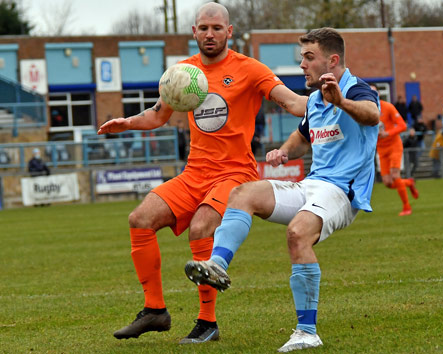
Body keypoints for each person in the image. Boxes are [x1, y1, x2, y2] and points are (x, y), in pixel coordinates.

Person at [97, 2, 307, 344]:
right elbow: (158, 114)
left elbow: (290, 101)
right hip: (194, 172)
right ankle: (154, 311)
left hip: (234, 173)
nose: (210, 34)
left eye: (216, 28)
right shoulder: (182, 72)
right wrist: (127, 123)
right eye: (203, 28)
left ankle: (207, 323)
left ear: (229, 32)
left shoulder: (250, 69)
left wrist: (327, 102)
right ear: (194, 31)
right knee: (140, 219)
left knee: (201, 227)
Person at [183, 27, 380, 352]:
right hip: (313, 185)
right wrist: (285, 151)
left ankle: (307, 332)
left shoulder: (357, 90)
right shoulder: (316, 99)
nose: (302, 64)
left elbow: (373, 117)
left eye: (308, 57)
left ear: (332, 60)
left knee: (297, 233)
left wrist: (342, 102)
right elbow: (303, 137)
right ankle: (217, 264)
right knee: (243, 194)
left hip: (343, 192)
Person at [372, 85, 419, 216]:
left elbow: (403, 125)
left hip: (394, 145)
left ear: (379, 94)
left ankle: (407, 207)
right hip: (381, 149)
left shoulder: (388, 107)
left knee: (395, 176)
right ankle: (409, 182)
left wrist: (388, 133)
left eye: (374, 92)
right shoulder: (366, 110)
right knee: (387, 182)